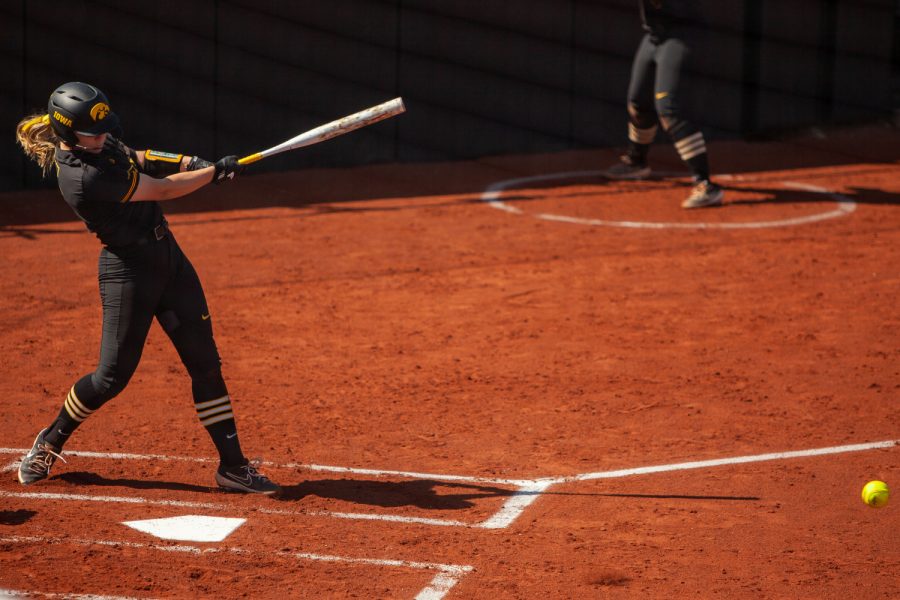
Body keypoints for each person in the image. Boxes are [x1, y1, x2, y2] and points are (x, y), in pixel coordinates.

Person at [14, 81, 280, 495]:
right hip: (129, 273)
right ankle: (50, 441)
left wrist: (189, 159)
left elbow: (137, 156)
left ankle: (233, 467)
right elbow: (165, 189)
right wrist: (214, 173)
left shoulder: (98, 143)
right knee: (110, 379)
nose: (103, 137)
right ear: (68, 134)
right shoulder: (83, 177)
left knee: (205, 363)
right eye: (92, 132)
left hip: (168, 259)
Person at [605, 0, 724, 209]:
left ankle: (705, 184)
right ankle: (637, 162)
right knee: (638, 102)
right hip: (654, 36)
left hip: (683, 34)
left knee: (669, 109)